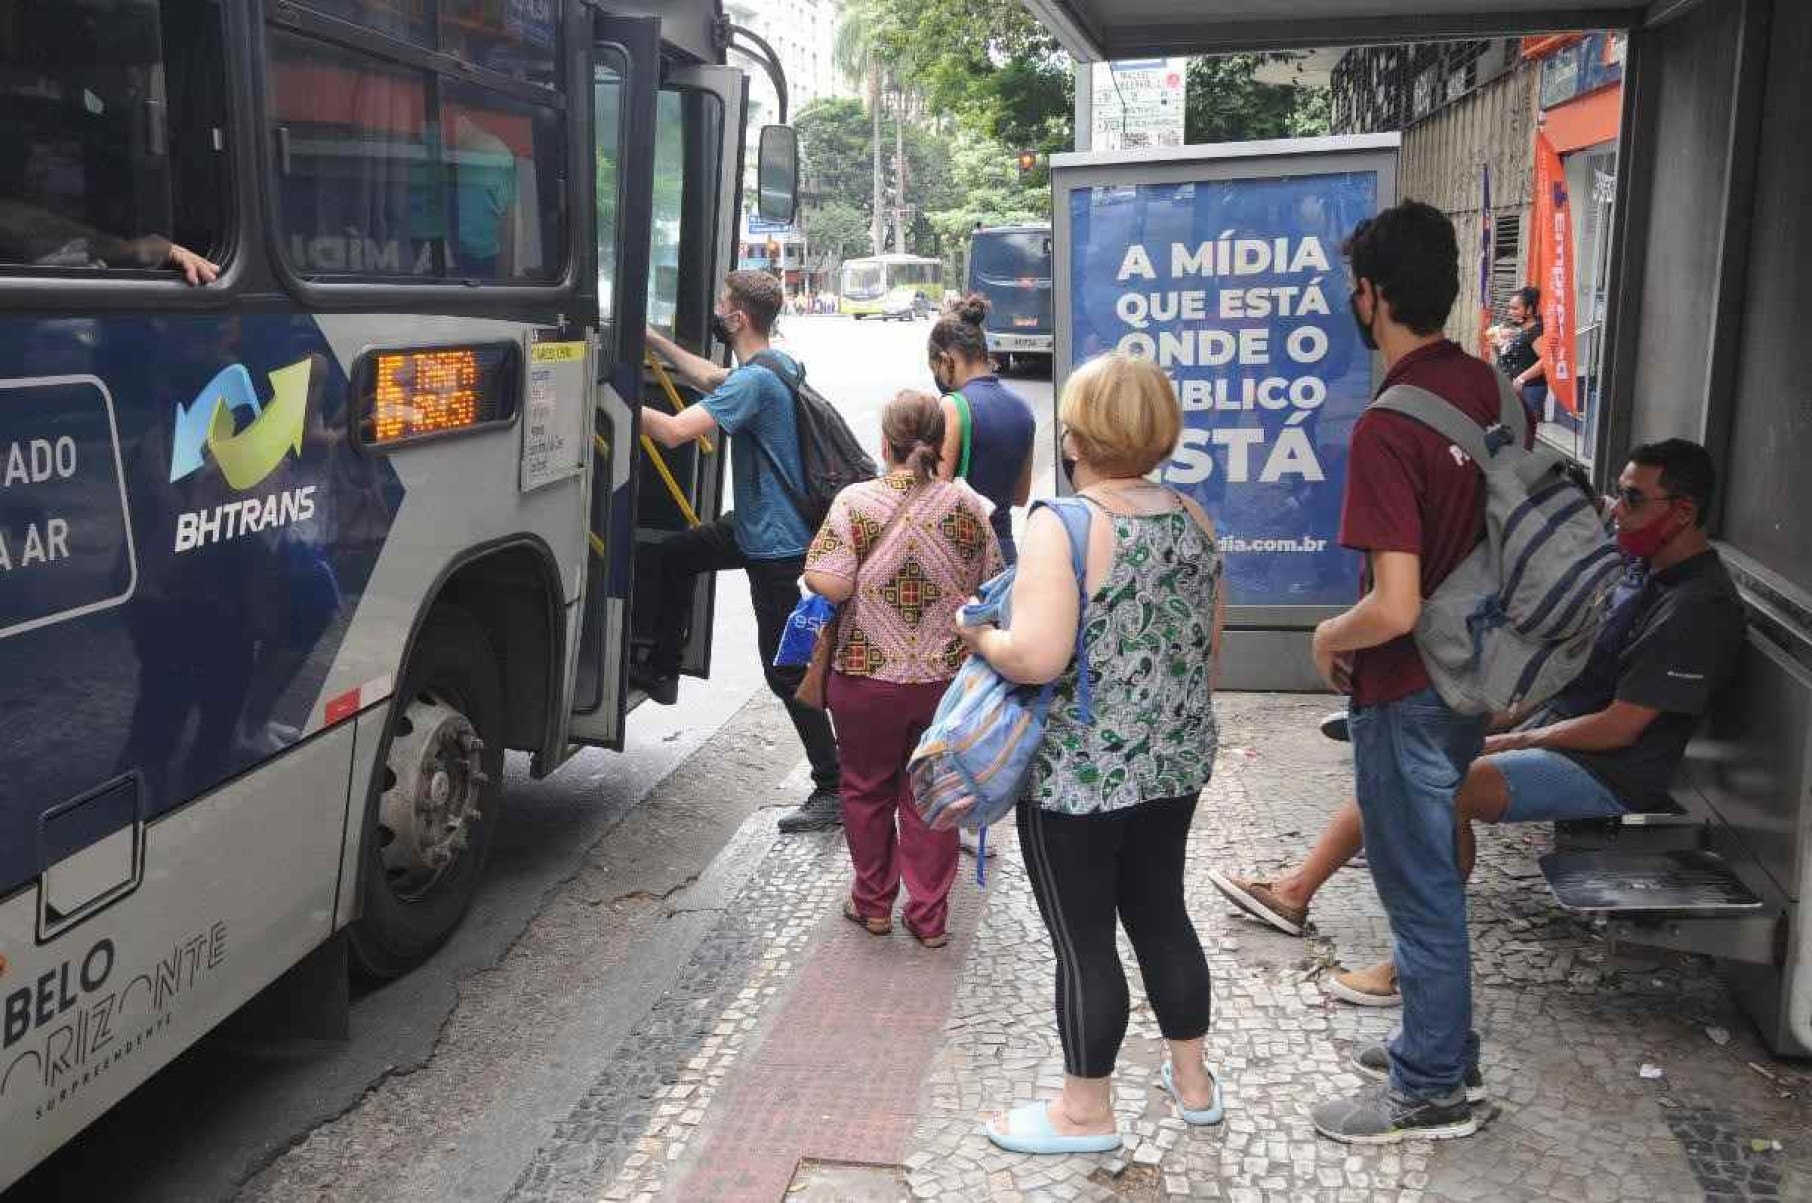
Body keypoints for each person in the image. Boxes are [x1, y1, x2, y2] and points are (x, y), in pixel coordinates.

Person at [1209, 439, 1746, 1013]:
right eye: (1617, 493)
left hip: (1610, 768)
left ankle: (1409, 973)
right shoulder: (1636, 569)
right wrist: (1488, 708)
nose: (1615, 509)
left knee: (1444, 786)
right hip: (1558, 728)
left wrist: (1507, 736)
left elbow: (1619, 728)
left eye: (1633, 499)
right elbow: (1571, 669)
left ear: (1682, 511)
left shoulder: (1695, 607)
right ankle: (1295, 890)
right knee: (1405, 742)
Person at [963, 352, 1227, 1155]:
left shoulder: (1066, 523)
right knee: (1161, 911)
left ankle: (1085, 1110)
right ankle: (1193, 1083)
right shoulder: (1194, 518)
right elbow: (1208, 651)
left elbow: (1038, 657)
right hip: (1174, 761)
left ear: (1076, 436)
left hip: (1080, 775)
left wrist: (981, 635)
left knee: (1084, 939)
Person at [1305, 200, 1514, 1146]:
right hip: (1477, 672)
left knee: (1418, 884)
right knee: (1433, 873)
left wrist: (1327, 635)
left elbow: (1392, 605)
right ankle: (1441, 1045)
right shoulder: (1493, 390)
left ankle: (1431, 1088)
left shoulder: (1389, 427)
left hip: (1409, 687)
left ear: (1371, 296)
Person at [641, 270, 843, 834]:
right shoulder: (774, 365)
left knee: (786, 670)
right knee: (678, 553)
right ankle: (662, 664)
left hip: (776, 549)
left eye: (722, 304)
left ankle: (833, 787)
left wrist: (606, 392)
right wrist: (653, 342)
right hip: (758, 528)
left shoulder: (755, 382)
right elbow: (709, 376)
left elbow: (676, 432)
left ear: (739, 319)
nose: (716, 308)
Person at [802, 391, 1002, 947]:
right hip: (943, 681)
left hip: (866, 674)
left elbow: (834, 581)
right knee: (929, 797)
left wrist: (815, 576)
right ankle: (930, 917)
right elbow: (994, 585)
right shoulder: (967, 507)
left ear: (884, 442)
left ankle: (872, 904)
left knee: (865, 790)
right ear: (940, 445)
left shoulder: (855, 502)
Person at [928, 295, 1036, 563]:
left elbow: (937, 493)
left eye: (935, 369)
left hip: (964, 556)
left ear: (946, 360)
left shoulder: (953, 407)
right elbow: (1021, 497)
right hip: (1006, 551)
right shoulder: (1023, 409)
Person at [1492, 286, 1546, 420]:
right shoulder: (1515, 328)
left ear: (1529, 309)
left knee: (1523, 431)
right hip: (1509, 388)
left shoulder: (1535, 332)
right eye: (1510, 308)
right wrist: (1498, 343)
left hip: (1529, 390)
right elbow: (1506, 355)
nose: (1511, 312)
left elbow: (1546, 361)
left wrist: (1522, 379)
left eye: (1516, 308)